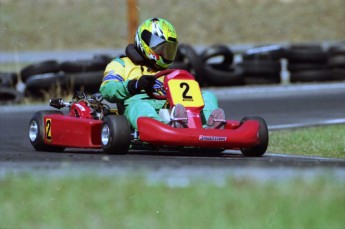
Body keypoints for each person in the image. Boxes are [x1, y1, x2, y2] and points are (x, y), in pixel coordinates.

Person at [100, 17, 225, 130]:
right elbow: (107, 89)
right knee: (139, 105)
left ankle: (209, 128)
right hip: (138, 106)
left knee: (207, 95)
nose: (165, 54)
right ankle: (166, 128)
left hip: (172, 108)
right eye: (161, 49)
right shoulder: (121, 64)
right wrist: (135, 85)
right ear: (147, 43)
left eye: (169, 50)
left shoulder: (168, 72)